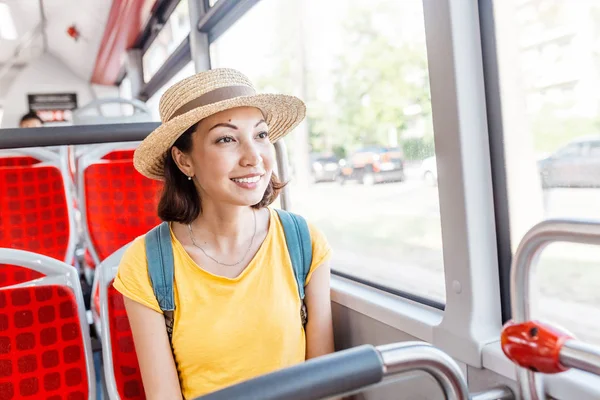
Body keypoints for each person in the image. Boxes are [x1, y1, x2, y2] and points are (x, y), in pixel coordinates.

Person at [113, 68, 334, 400]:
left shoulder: (303, 241)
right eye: (226, 139)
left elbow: (326, 385)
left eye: (260, 135)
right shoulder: (146, 263)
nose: (254, 157)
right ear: (184, 160)